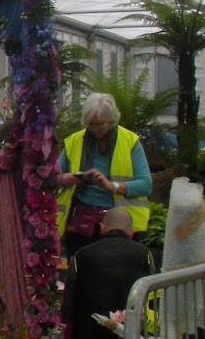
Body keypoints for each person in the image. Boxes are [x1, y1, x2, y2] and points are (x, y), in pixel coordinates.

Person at [55, 93, 152, 259]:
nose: (95, 130)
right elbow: (51, 176)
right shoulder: (75, 141)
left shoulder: (130, 141)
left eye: (100, 125)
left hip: (118, 224)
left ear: (111, 120)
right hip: (81, 225)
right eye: (90, 125)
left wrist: (110, 185)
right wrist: (65, 179)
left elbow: (145, 185)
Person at [62, 208, 154, 339]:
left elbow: (68, 304)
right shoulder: (145, 254)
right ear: (131, 232)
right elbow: (150, 298)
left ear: (102, 227)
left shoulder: (80, 256)